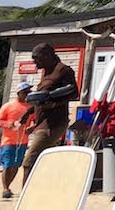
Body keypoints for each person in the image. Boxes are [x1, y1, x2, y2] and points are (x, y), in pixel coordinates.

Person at [19, 43, 78, 186]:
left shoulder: (63, 70)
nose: (34, 62)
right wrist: (29, 112)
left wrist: (54, 104)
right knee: (45, 161)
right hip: (42, 124)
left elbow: (74, 92)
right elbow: (43, 98)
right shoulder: (46, 71)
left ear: (47, 56)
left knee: (29, 162)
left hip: (52, 125)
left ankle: (25, 197)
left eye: (36, 58)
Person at [0, 83, 36, 199]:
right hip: (8, 141)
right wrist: (9, 124)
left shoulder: (31, 107)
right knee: (7, 165)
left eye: (29, 92)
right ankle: (5, 188)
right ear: (19, 93)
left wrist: (31, 128)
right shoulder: (8, 106)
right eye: (25, 92)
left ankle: (8, 186)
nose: (28, 94)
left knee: (16, 165)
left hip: (22, 141)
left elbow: (36, 121)